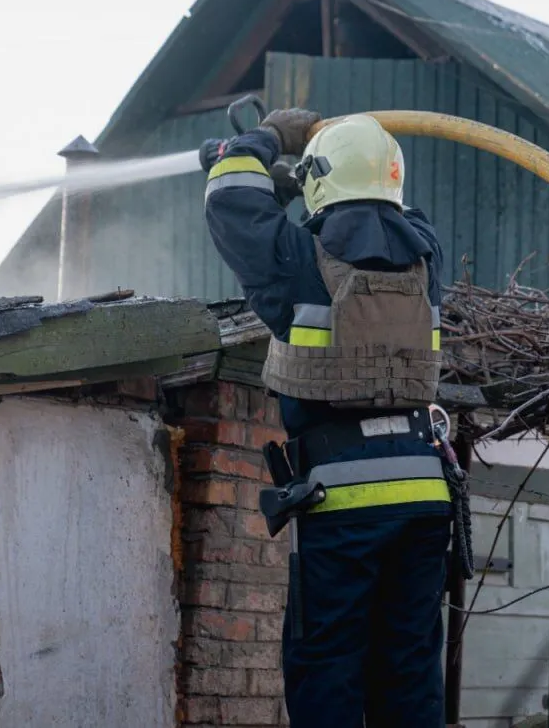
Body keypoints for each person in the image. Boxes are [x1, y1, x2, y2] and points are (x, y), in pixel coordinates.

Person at [202, 108, 452, 728]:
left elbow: (232, 195)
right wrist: (303, 180)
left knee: (328, 669)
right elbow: (380, 213)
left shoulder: (299, 258)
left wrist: (267, 142)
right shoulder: (427, 257)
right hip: (425, 497)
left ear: (320, 180)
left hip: (343, 501)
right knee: (409, 672)